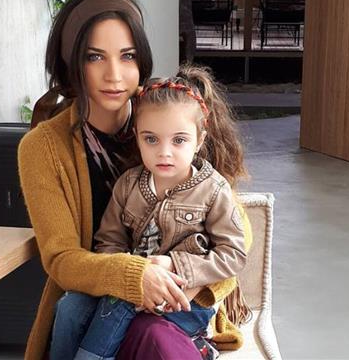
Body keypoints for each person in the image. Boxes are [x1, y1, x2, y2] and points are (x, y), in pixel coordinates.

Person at [17, 0, 251, 360]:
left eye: (127, 56)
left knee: (153, 336)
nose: (114, 75)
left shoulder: (166, 116)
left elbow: (238, 229)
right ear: (70, 61)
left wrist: (181, 279)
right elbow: (61, 259)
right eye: (95, 56)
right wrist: (134, 276)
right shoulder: (43, 147)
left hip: (179, 297)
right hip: (93, 300)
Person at [57, 68, 249, 360]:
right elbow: (109, 241)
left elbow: (233, 254)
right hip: (131, 288)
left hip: (186, 301)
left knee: (130, 318)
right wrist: (128, 273)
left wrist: (175, 266)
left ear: (199, 140)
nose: (164, 152)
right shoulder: (128, 185)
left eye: (179, 140)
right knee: (71, 307)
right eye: (151, 139)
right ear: (137, 137)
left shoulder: (213, 190)